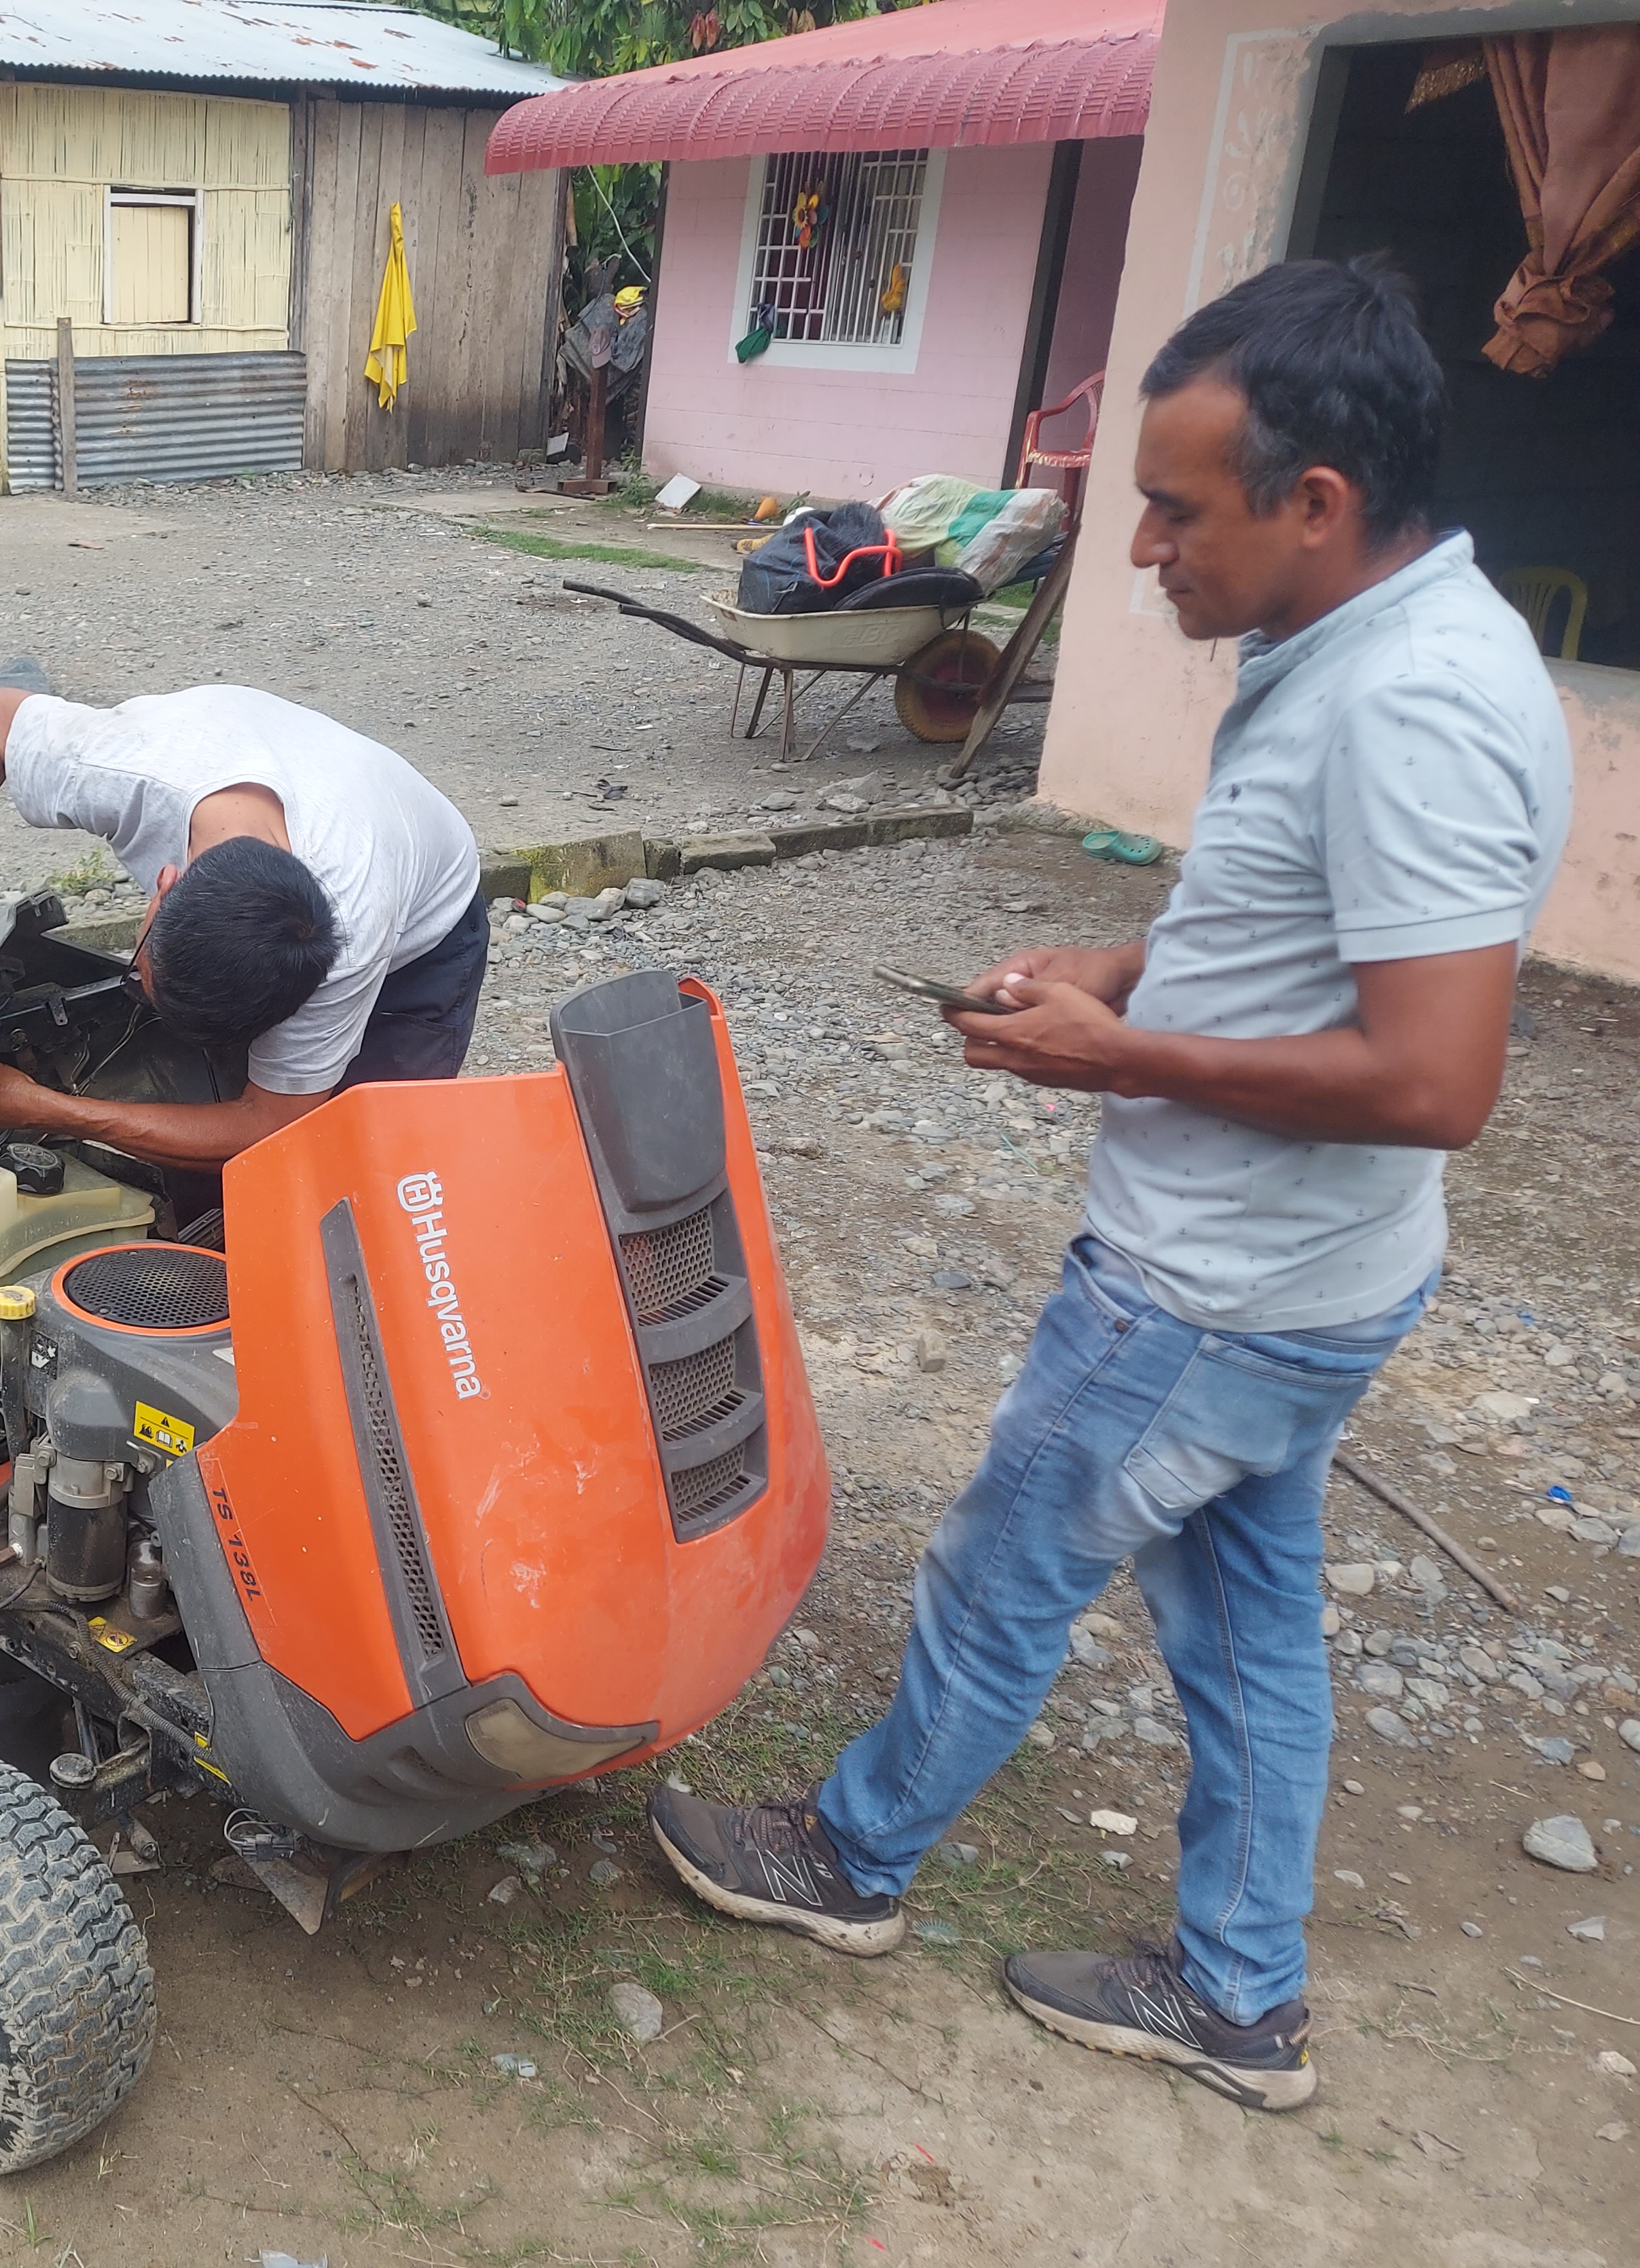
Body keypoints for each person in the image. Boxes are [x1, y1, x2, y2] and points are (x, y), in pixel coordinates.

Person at [647, 257, 1571, 2112]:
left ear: (1316, 502)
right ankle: (1238, 1995)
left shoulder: (1416, 703)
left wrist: (1116, 1057)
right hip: (1296, 1279)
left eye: (1174, 507)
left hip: (1213, 1292)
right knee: (1245, 1626)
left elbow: (1435, 1079)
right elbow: (1294, 922)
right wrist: (1120, 970)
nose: (1138, 547)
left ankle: (849, 1858)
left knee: (1001, 1571)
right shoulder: (1361, 649)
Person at [0, 684, 486, 1169]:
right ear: (166, 884)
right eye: (144, 972)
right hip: (287, 778)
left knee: (361, 1169)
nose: (139, 986)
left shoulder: (349, 939)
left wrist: (50, 1111)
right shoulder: (133, 770)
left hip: (424, 943)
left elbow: (271, 1124)